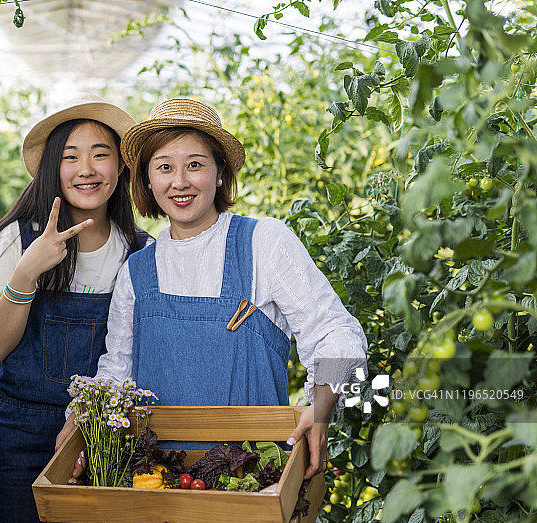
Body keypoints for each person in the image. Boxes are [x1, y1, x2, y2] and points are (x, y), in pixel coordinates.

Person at [57, 97, 367, 479]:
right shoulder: (136, 271)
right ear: (147, 179)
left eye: (195, 165)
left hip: (251, 485)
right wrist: (81, 419)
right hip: (160, 488)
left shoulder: (262, 243)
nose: (180, 181)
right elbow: (117, 369)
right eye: (164, 167)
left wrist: (319, 411)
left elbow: (337, 332)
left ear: (219, 172)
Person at [0, 94, 149, 523]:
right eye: (71, 156)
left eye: (101, 154)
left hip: (104, 432)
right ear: (53, 168)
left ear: (122, 166)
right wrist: (28, 270)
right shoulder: (17, 239)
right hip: (19, 431)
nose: (87, 169)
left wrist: (91, 424)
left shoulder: (139, 252)